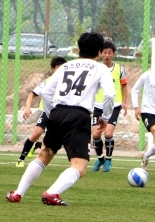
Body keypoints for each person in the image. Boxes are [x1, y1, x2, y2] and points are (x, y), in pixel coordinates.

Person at [6, 32, 115, 206]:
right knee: (79, 166)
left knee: (44, 154)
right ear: (100, 51)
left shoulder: (65, 66)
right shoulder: (101, 68)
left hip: (57, 112)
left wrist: (51, 114)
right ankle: (52, 193)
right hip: (79, 116)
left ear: (79, 49)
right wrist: (105, 118)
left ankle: (18, 193)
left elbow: (47, 93)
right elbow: (110, 94)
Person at [16, 57, 67, 167]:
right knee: (37, 133)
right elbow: (32, 94)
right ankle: (21, 159)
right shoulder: (47, 81)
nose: (61, 70)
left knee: (54, 141)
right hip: (48, 112)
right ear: (53, 69)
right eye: (58, 68)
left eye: (63, 68)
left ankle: (38, 145)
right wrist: (27, 108)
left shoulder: (68, 82)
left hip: (62, 114)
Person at [91, 41, 128, 172]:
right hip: (97, 106)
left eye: (109, 53)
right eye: (104, 52)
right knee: (95, 134)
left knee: (108, 133)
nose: (107, 55)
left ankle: (108, 160)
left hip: (114, 106)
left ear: (113, 54)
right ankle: (100, 158)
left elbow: (124, 85)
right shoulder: (96, 69)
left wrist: (124, 101)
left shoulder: (119, 69)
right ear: (100, 54)